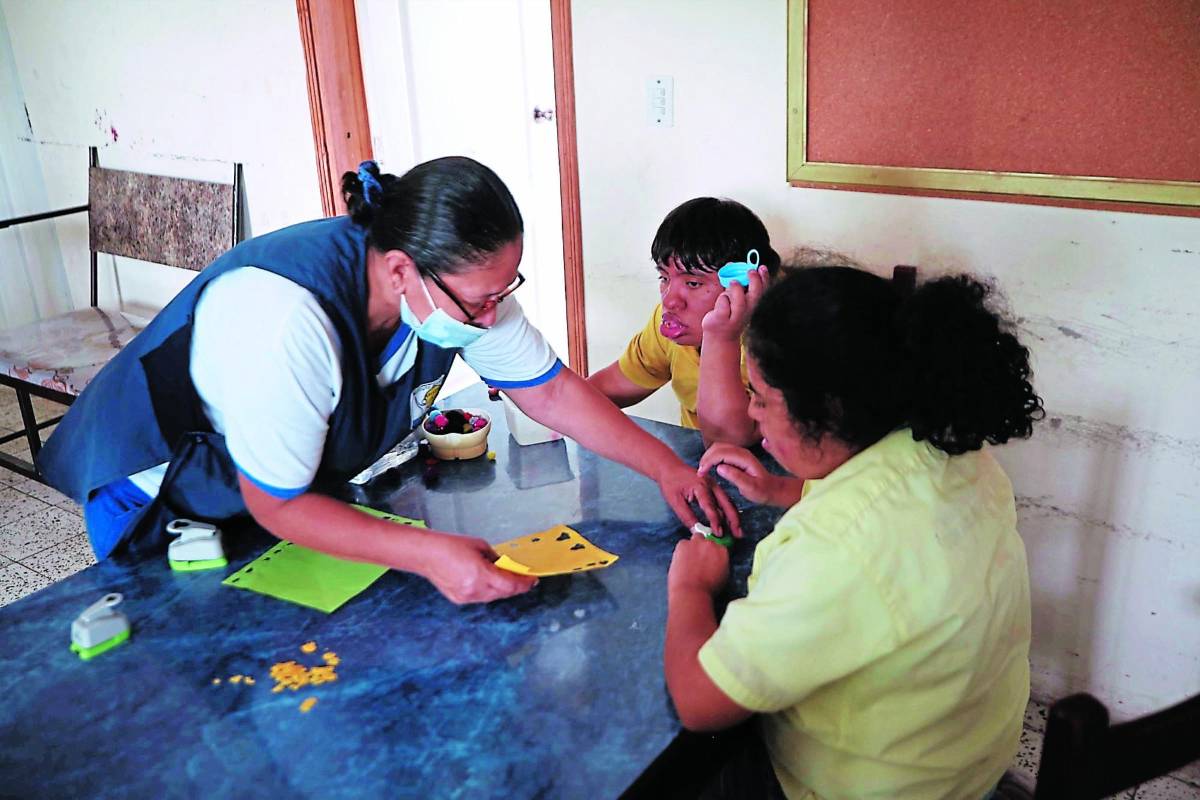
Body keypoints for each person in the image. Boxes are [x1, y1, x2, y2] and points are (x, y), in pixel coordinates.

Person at [39, 157, 738, 605]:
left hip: (274, 481)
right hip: (160, 480)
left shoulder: (452, 293)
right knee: (191, 656)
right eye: (481, 300)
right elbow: (277, 504)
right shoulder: (284, 318)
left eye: (506, 289)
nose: (494, 315)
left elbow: (550, 390)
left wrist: (661, 469)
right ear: (404, 269)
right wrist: (430, 554)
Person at [665, 266, 1043, 799]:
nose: (752, 412)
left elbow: (700, 704)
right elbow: (886, 515)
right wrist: (780, 491)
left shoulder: (833, 549)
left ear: (826, 413)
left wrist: (691, 588)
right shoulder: (955, 453)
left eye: (763, 397)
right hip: (964, 767)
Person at [587, 197, 781, 447]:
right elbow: (610, 387)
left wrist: (721, 338)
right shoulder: (671, 321)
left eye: (693, 283)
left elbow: (729, 440)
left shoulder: (780, 339)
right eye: (664, 278)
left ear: (744, 284)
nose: (670, 301)